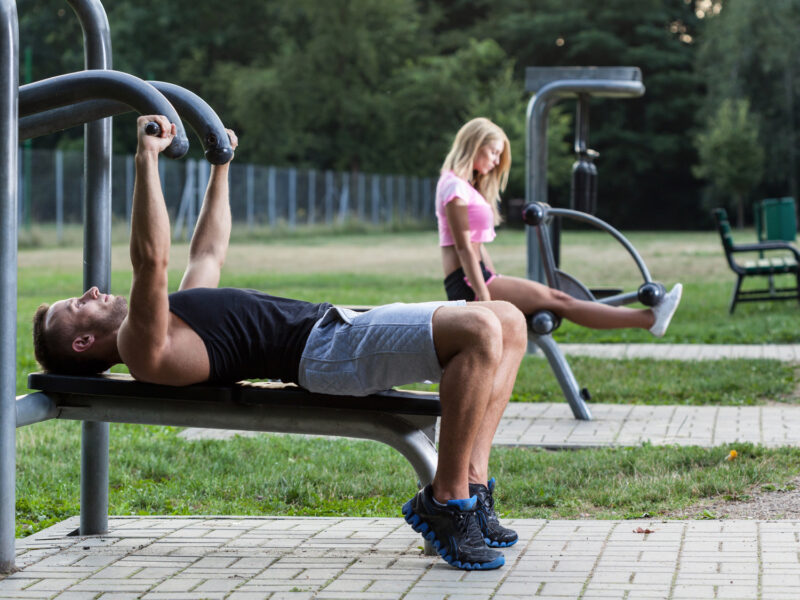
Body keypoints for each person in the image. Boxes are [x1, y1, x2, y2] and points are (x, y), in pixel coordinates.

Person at [32, 115, 528, 571]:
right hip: (328, 352)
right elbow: (150, 260)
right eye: (77, 305)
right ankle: (447, 500)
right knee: (480, 331)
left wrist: (221, 167)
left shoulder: (170, 320)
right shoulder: (144, 348)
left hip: (335, 328)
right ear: (83, 343)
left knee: (508, 320)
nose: (90, 292)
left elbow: (207, 251)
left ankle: (473, 485)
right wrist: (146, 158)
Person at [436, 117, 682, 336]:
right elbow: (464, 248)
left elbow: (477, 246)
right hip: (469, 281)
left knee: (559, 299)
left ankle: (649, 319)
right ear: (474, 145)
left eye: (499, 155)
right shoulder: (455, 188)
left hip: (479, 277)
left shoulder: (463, 186)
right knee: (559, 299)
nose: (497, 161)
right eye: (493, 153)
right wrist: (485, 297)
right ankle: (649, 320)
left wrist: (494, 277)